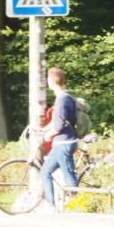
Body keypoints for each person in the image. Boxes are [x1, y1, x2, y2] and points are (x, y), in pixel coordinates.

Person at [39, 67, 78, 214]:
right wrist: (43, 130)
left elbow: (59, 125)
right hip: (62, 143)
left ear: (51, 81)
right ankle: (50, 205)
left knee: (69, 175)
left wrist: (49, 135)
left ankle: (77, 205)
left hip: (64, 142)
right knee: (45, 172)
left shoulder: (62, 99)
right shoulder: (66, 97)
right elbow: (61, 120)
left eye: (48, 79)